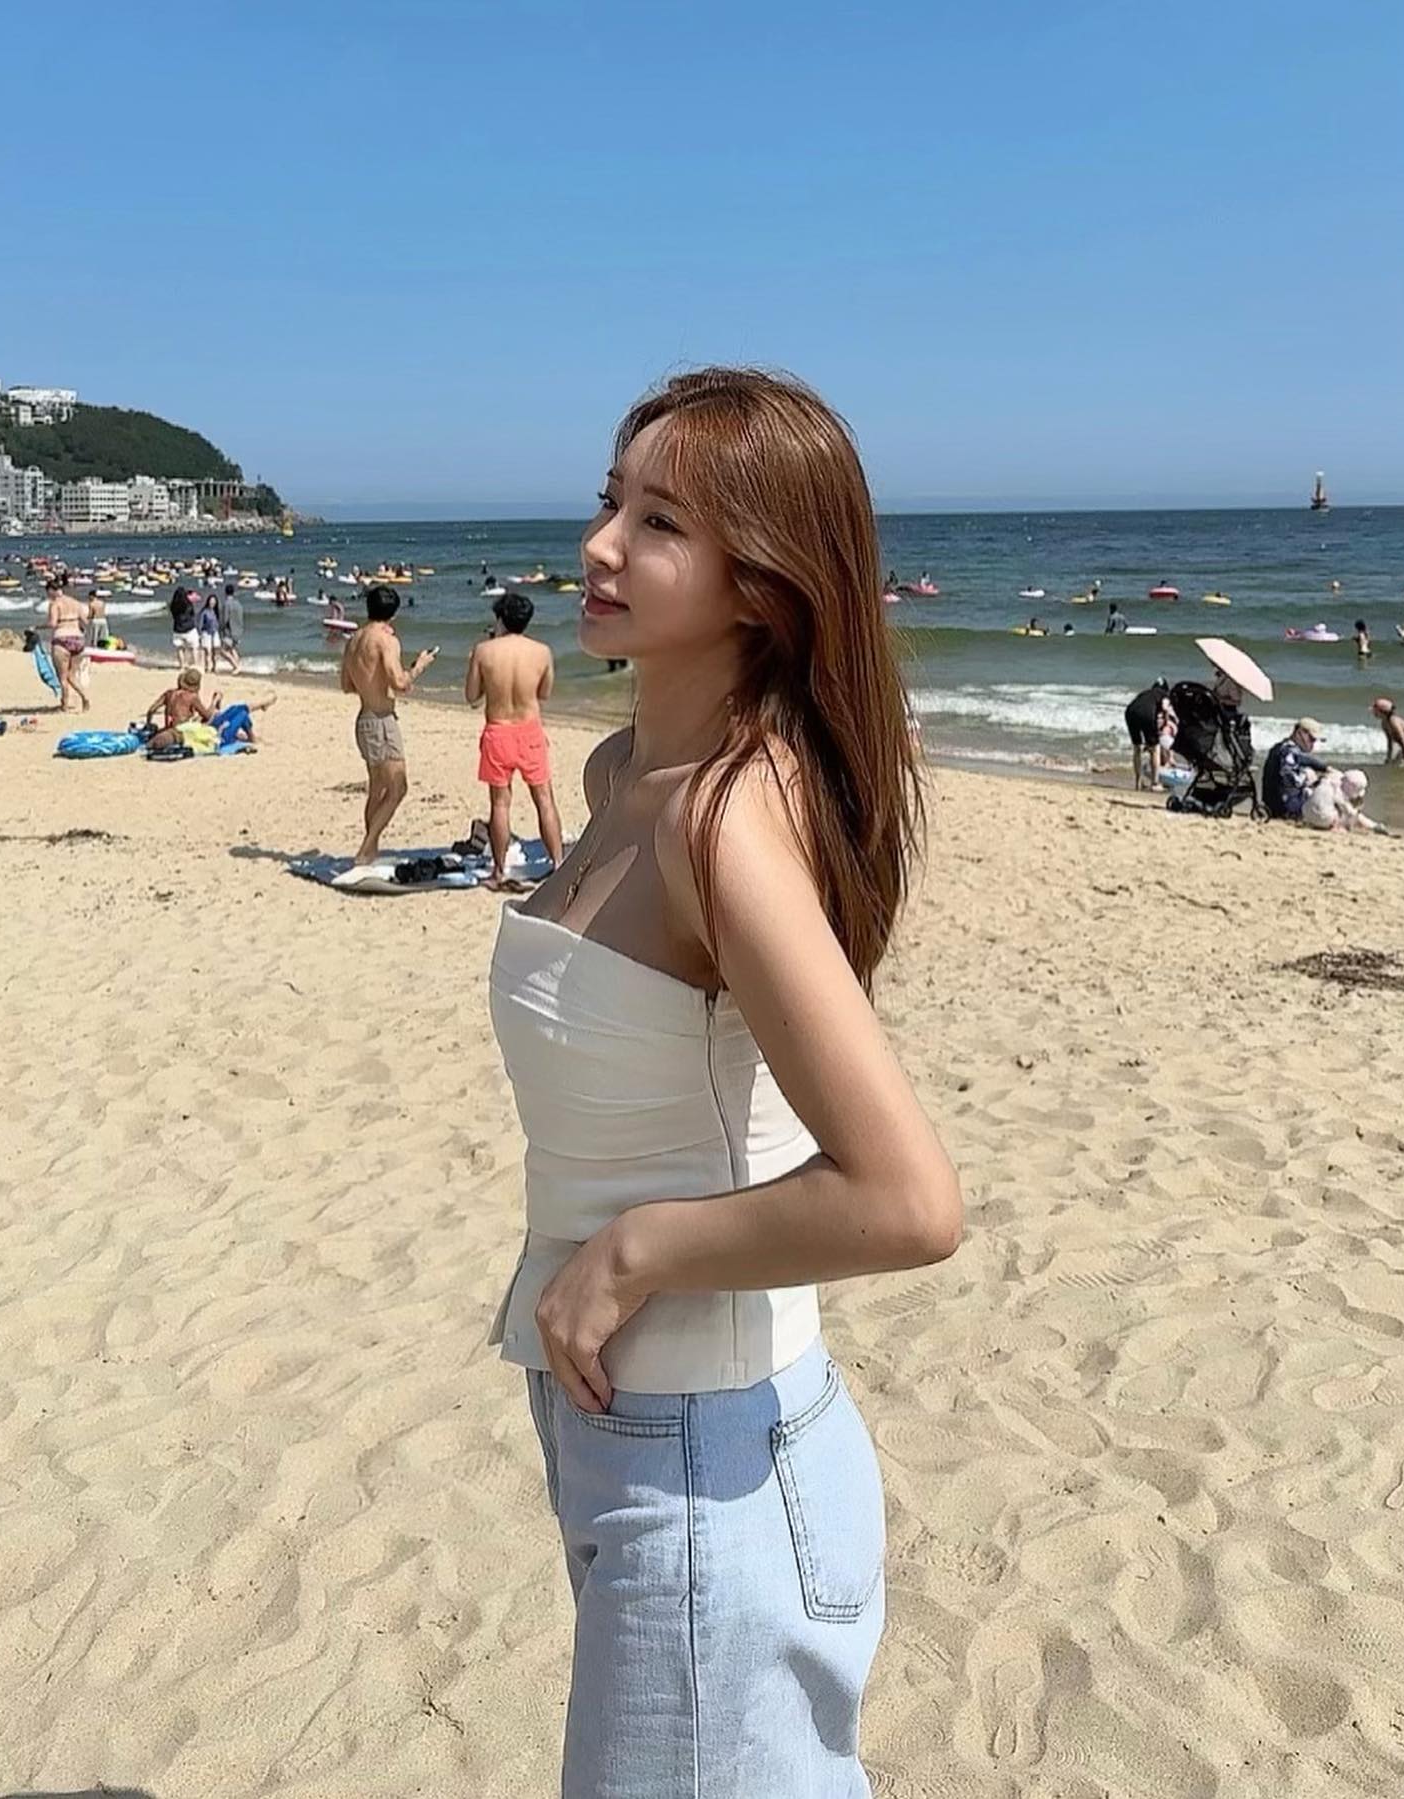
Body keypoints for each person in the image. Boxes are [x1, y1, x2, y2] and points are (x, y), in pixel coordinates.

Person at [489, 367, 963, 1795]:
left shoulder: (726, 821)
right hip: (630, 1436)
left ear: (762, 581)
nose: (598, 546)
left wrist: (635, 1249)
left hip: (713, 1465)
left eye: (660, 522)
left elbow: (909, 1200)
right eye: (609, 502)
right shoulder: (620, 769)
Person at [464, 592, 565, 889]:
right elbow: (544, 693)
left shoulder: (483, 651)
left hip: (498, 730)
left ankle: (499, 871)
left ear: (500, 619)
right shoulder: (542, 651)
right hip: (529, 729)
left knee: (500, 804)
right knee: (544, 799)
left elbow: (471, 696)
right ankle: (558, 864)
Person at [339, 583, 437, 864]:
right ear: (393, 614)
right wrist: (419, 666)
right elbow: (400, 682)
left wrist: (372, 682)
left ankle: (370, 851)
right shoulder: (386, 640)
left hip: (365, 717)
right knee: (398, 787)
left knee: (377, 789)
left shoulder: (354, 640)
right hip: (381, 721)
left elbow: (347, 685)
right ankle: (366, 848)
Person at [1260, 716, 1328, 821]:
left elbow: (1305, 760)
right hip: (1284, 808)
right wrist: (1318, 782)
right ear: (1299, 733)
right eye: (1311, 739)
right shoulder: (1289, 752)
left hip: (1272, 805)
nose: (1313, 745)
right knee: (1326, 788)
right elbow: (1291, 783)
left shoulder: (1280, 747)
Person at [144, 667, 221, 750]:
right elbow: (207, 716)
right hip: (182, 731)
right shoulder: (192, 697)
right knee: (206, 722)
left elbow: (151, 710)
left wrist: (149, 724)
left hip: (168, 728)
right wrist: (214, 701)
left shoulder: (169, 693)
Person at [45, 577, 90, 713]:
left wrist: (38, 627)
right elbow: (85, 622)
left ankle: (64, 705)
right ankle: (85, 697)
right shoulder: (75, 603)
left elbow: (53, 623)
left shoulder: (55, 604)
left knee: (63, 677)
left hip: (61, 639)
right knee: (71, 675)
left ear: (51, 591)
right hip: (78, 639)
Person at [1302, 767, 1387, 834]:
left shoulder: (1329, 780)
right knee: (1345, 814)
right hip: (1323, 819)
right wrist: (1373, 825)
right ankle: (1335, 827)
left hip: (1306, 813)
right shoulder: (1340, 794)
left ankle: (1313, 822)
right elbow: (1352, 814)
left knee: (1323, 803)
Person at [1124, 677, 1170, 789]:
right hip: (1146, 714)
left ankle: (1138, 782)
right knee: (1155, 749)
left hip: (1130, 712)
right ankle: (1155, 783)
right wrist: (1166, 722)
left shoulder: (1146, 693)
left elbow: (1140, 706)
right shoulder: (1164, 694)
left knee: (1137, 748)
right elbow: (1165, 707)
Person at [1371, 696, 1404, 764]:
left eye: (1375, 711)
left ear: (1382, 712)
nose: (1374, 713)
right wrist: (1388, 757)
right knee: (1396, 761)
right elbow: (1390, 742)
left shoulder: (1394, 721)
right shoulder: (1384, 724)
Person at [216, 583, 244, 673]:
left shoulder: (226, 604)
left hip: (229, 631)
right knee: (232, 649)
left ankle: (236, 666)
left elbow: (225, 619)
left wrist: (220, 628)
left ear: (225, 592)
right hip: (238, 630)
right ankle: (237, 666)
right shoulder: (238, 604)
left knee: (223, 651)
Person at [169, 585, 198, 669]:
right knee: (194, 648)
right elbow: (192, 614)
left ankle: (182, 665)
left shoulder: (173, 606)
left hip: (178, 629)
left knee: (180, 649)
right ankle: (194, 664)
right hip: (189, 629)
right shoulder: (188, 604)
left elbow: (174, 616)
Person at [196, 589, 221, 672]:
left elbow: (218, 622)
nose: (212, 603)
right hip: (206, 633)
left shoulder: (216, 612)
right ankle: (207, 667)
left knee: (215, 651)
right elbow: (200, 624)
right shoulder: (204, 612)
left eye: (214, 601)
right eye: (211, 601)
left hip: (215, 633)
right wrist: (199, 634)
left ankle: (215, 667)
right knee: (208, 651)